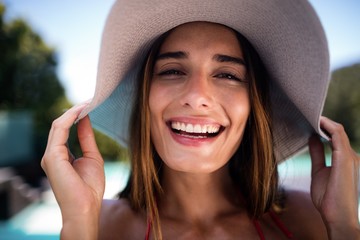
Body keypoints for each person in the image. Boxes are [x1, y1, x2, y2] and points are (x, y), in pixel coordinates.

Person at [41, 0, 360, 239]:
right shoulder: (97, 227)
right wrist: (79, 223)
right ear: (144, 98)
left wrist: (344, 225)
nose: (197, 95)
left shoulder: (311, 221)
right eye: (172, 71)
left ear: (255, 106)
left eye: (227, 74)